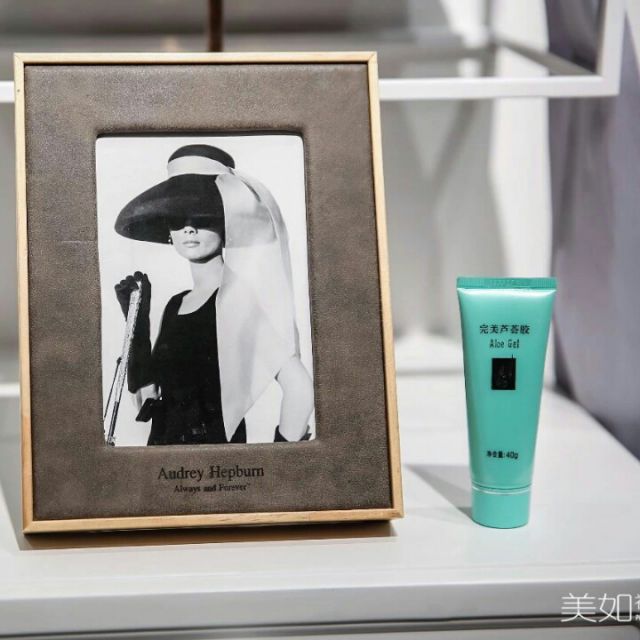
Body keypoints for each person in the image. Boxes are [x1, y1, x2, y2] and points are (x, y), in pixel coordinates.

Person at [113, 144, 314, 445]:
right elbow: (148, 398)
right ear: (169, 231)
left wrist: (279, 463)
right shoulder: (176, 305)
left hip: (218, 463)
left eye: (201, 217)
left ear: (226, 223)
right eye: (178, 218)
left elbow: (300, 390)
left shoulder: (239, 300)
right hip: (162, 460)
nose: (189, 229)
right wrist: (137, 323)